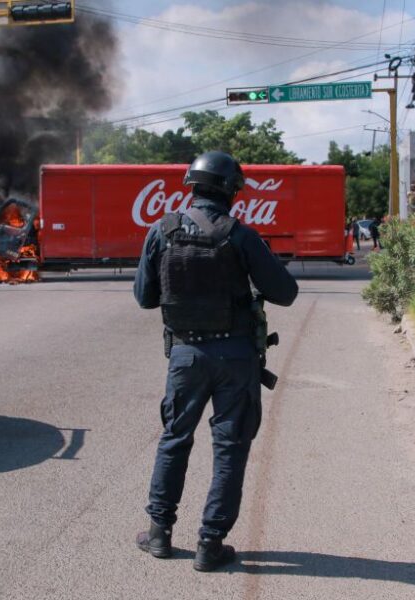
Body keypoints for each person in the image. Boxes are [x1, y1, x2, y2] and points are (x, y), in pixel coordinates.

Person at [133, 151, 299, 571]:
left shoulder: (161, 231)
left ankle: (158, 534)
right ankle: (210, 543)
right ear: (231, 191)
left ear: (191, 185)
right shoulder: (241, 235)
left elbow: (145, 297)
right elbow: (286, 292)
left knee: (174, 439)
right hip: (235, 356)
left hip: (186, 356)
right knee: (230, 447)